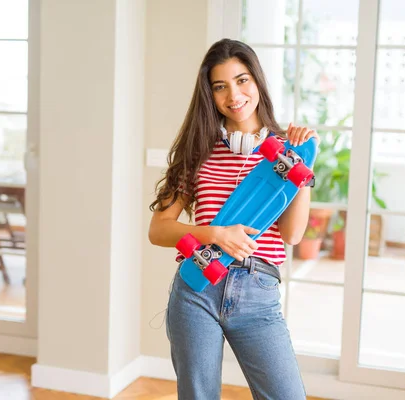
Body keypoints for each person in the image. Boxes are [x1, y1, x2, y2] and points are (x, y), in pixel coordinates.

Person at [148, 38, 319, 400]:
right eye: (220, 86)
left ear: (257, 82)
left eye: (242, 81)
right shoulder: (197, 150)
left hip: (257, 291)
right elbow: (159, 229)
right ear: (209, 94)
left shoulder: (285, 153)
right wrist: (214, 233)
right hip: (197, 290)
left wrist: (303, 170)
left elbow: (292, 234)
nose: (234, 95)